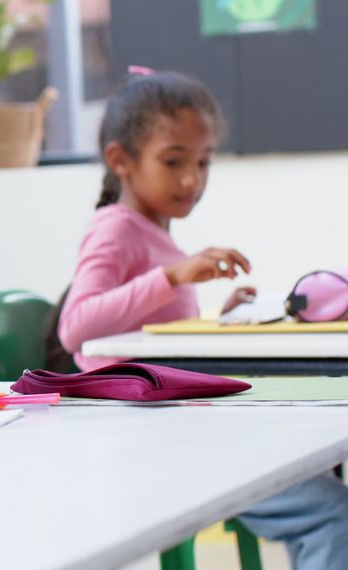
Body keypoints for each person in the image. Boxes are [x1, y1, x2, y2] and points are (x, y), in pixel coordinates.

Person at [58, 69, 348, 570]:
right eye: (174, 162)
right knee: (332, 513)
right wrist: (171, 276)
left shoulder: (152, 234)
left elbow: (152, 327)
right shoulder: (115, 229)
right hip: (155, 439)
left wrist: (227, 313)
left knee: (321, 459)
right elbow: (76, 326)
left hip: (180, 426)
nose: (193, 179)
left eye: (204, 162)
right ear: (120, 160)